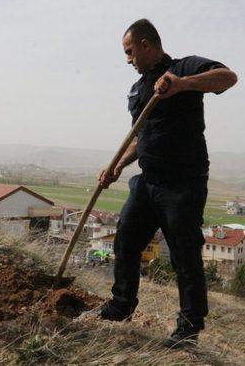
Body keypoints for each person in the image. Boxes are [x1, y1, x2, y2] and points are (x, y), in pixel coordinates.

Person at [98, 19, 237, 348]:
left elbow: (229, 77)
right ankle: (121, 306)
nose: (128, 59)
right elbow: (140, 137)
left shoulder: (182, 68)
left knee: (184, 255)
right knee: (126, 242)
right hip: (147, 182)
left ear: (146, 44)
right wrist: (115, 166)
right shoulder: (138, 89)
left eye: (130, 52)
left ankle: (189, 326)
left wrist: (183, 83)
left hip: (182, 185)